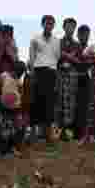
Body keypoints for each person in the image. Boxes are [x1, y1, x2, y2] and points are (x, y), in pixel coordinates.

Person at [28, 14, 61, 143]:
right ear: (42, 24)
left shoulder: (56, 40)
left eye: (51, 23)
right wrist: (32, 73)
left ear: (53, 26)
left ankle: (47, 134)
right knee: (36, 101)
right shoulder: (35, 39)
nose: (49, 25)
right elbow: (31, 57)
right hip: (38, 71)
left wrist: (55, 72)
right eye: (47, 23)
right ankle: (33, 133)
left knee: (49, 102)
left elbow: (57, 57)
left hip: (51, 72)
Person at [55, 18, 81, 141]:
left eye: (72, 26)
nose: (70, 29)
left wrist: (67, 56)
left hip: (72, 74)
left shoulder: (77, 44)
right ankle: (60, 130)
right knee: (60, 100)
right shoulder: (58, 42)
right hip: (60, 73)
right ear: (64, 27)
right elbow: (56, 56)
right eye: (68, 26)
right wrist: (67, 56)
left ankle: (68, 129)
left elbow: (79, 61)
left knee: (71, 101)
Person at [0, 61, 26, 157]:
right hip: (4, 108)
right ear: (12, 69)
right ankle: (2, 150)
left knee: (16, 129)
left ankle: (13, 148)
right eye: (16, 74)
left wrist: (20, 104)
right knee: (4, 129)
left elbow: (21, 93)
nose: (17, 76)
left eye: (19, 75)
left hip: (15, 108)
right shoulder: (4, 76)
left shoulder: (19, 81)